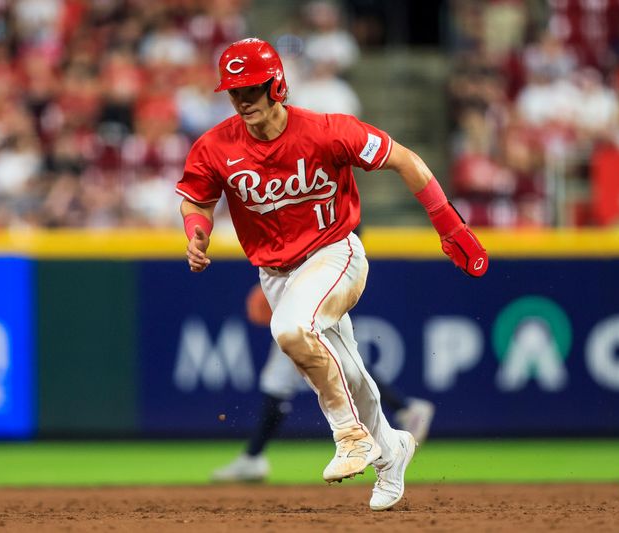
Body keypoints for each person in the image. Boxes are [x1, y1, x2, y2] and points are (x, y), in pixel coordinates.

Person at [176, 38, 487, 511]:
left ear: (276, 84)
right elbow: (196, 198)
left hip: (333, 254)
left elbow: (405, 159)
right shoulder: (215, 146)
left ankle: (349, 436)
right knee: (351, 371)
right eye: (233, 91)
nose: (242, 100)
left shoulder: (325, 131)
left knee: (290, 329)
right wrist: (196, 230)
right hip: (276, 274)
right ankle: (391, 448)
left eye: (251, 89)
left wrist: (448, 224)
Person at [211, 282, 437, 483]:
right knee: (336, 366)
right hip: (308, 290)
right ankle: (403, 408)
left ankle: (400, 414)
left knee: (298, 376)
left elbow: (346, 236)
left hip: (313, 290)